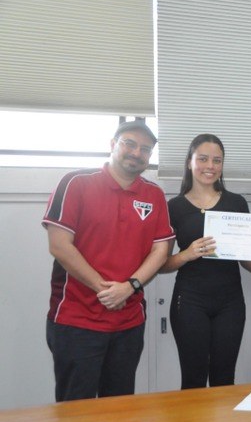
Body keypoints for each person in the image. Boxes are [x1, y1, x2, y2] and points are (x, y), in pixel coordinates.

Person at [42, 121, 175, 402]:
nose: (137, 153)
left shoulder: (154, 195)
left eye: (146, 149)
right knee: (75, 412)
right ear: (113, 144)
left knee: (120, 412)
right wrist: (105, 289)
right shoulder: (76, 182)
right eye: (130, 143)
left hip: (128, 323)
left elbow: (161, 249)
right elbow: (59, 245)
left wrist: (129, 287)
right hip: (76, 321)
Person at [160, 134, 251, 389]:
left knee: (224, 380)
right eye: (203, 159)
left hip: (230, 303)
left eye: (217, 160)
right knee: (192, 380)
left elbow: (247, 260)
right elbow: (161, 264)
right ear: (190, 162)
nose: (210, 166)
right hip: (189, 301)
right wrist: (186, 254)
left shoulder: (236, 202)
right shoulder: (174, 206)